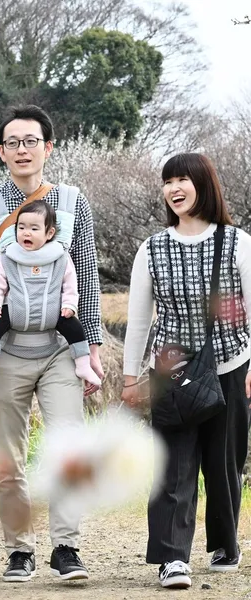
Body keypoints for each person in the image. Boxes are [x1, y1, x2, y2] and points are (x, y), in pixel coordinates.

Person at [0, 105, 104, 582]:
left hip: (60, 348)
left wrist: (91, 346)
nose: (22, 149)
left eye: (31, 140)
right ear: (1, 151)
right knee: (8, 454)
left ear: (48, 147)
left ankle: (66, 547)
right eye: (13, 142)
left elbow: (89, 278)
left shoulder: (74, 202)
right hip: (6, 348)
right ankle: (19, 549)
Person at [121, 153, 251, 590]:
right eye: (167, 181)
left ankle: (224, 544)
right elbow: (139, 319)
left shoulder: (237, 241)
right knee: (171, 466)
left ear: (204, 184)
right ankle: (173, 559)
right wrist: (129, 377)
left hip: (230, 365)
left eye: (183, 180)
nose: (174, 189)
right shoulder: (152, 247)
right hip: (171, 372)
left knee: (224, 462)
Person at [0, 200, 101, 388]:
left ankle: (83, 365)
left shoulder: (60, 256)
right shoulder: (7, 255)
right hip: (15, 309)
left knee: (75, 328)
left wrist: (69, 304)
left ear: (49, 233)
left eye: (34, 229)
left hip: (52, 311)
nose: (26, 232)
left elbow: (70, 283)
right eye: (22, 227)